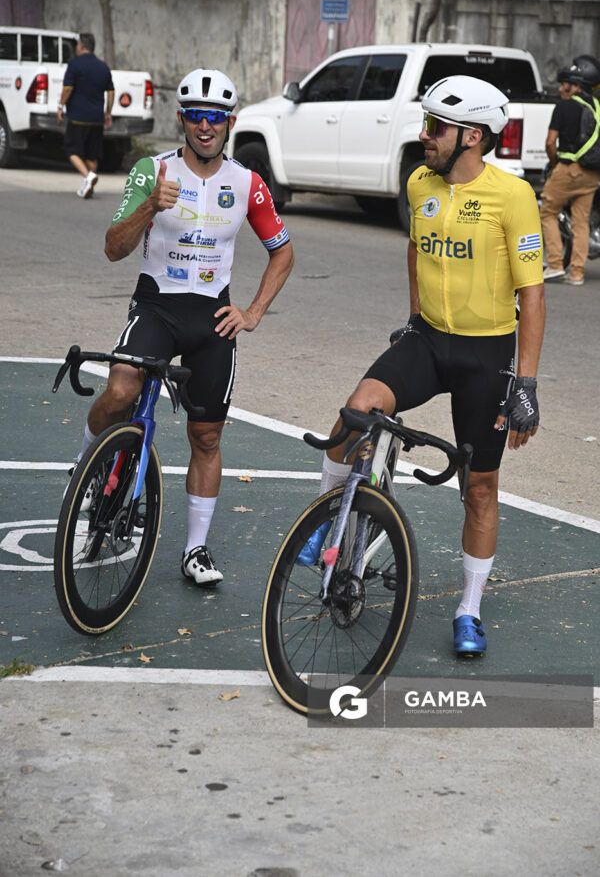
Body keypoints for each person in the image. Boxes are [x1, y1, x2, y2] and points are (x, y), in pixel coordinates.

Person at [298, 75, 545, 656]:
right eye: (426, 123)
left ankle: (469, 608)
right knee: (355, 414)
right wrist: (414, 316)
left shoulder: (513, 197)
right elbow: (416, 247)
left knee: (479, 488)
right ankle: (328, 520)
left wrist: (526, 383)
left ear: (473, 136)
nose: (425, 135)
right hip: (428, 341)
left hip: (486, 354)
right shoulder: (418, 183)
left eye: (436, 126)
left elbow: (533, 295)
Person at [72, 68, 294, 585]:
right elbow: (112, 248)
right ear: (183, 119)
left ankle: (195, 549)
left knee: (207, 436)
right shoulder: (154, 170)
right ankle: (83, 466)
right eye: (196, 115)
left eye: (215, 117)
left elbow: (282, 253)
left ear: (230, 123)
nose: (205, 126)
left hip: (213, 317)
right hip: (157, 306)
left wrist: (253, 312)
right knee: (121, 389)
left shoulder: (247, 183)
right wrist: (150, 206)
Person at [540, 55, 600, 286]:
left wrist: (555, 164)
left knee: (547, 211)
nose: (561, 87)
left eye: (565, 83)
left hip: (569, 168)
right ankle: (577, 273)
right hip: (592, 172)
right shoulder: (596, 106)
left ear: (575, 86)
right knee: (581, 222)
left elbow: (549, 142)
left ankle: (555, 265)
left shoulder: (564, 106)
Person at [57, 32, 114, 199]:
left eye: (77, 45)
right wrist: (108, 112)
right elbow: (111, 92)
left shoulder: (74, 64)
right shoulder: (103, 67)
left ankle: (88, 177)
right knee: (92, 154)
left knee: (71, 150)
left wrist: (60, 106)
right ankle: (89, 185)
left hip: (77, 117)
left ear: (81, 46)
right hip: (97, 118)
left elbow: (68, 88)